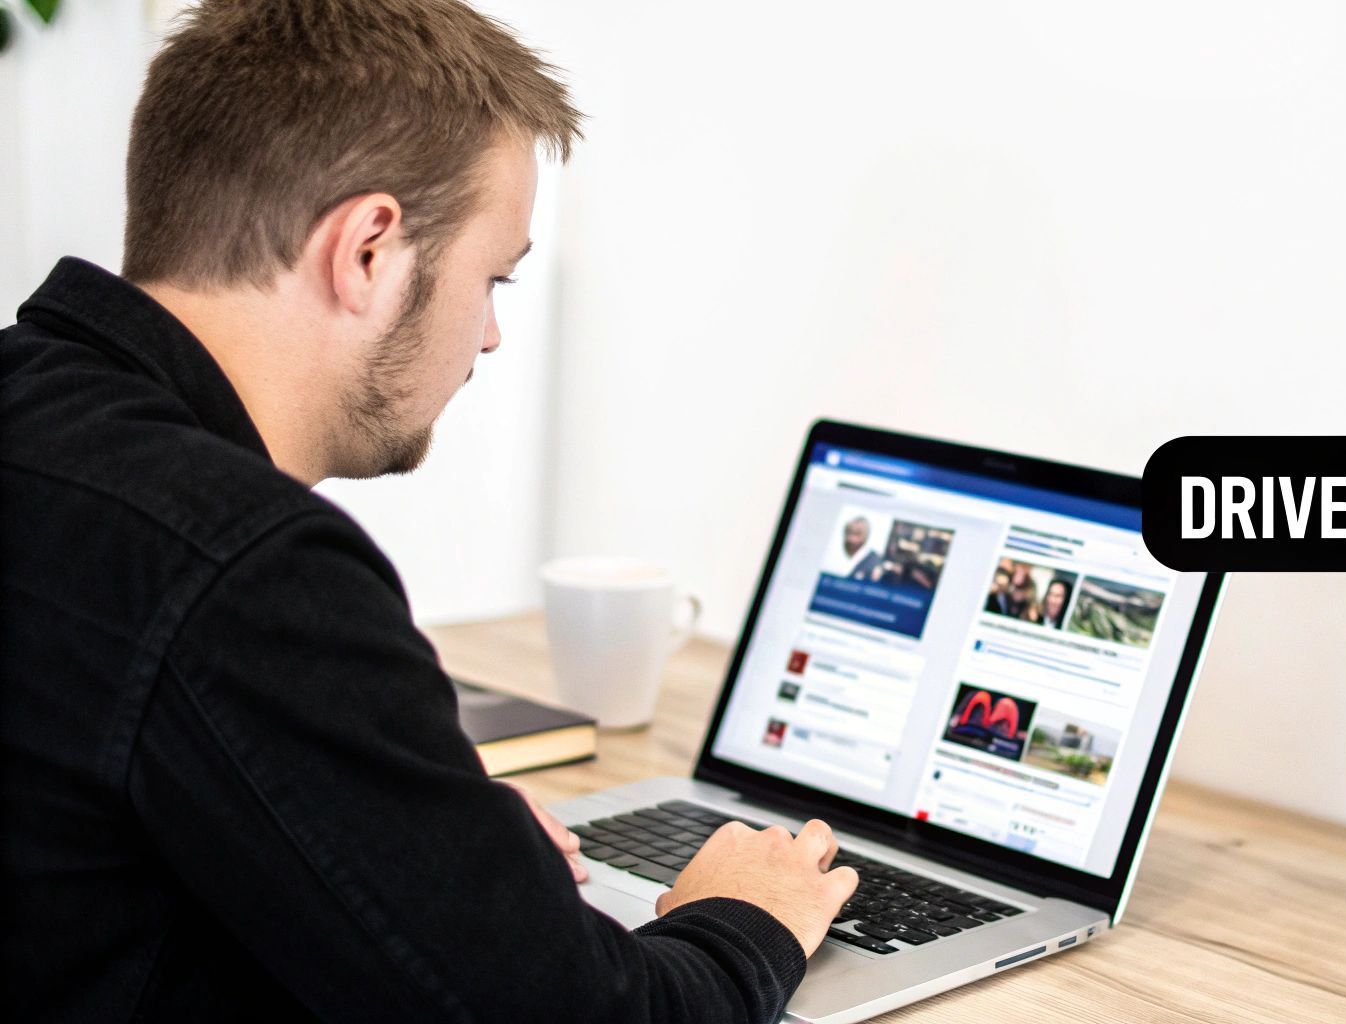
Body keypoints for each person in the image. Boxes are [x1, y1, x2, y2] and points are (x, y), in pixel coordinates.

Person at [0, 2, 856, 1021]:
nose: (489, 336)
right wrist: (744, 919)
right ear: (367, 248)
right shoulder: (248, 568)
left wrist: (405, 847)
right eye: (491, 276)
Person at [837, 515, 883, 580]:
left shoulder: (874, 561)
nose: (850, 538)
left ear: (864, 536)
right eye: (848, 533)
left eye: (856, 534)